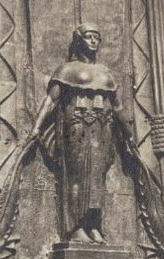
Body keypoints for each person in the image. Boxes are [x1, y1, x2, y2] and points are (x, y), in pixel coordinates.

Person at [28, 25, 135, 243]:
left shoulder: (106, 73)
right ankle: (75, 227)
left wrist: (129, 134)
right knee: (76, 177)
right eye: (89, 37)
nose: (94, 41)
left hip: (102, 128)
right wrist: (36, 127)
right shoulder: (66, 70)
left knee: (97, 179)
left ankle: (93, 225)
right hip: (75, 125)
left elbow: (118, 108)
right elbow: (51, 100)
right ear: (79, 40)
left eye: (97, 37)